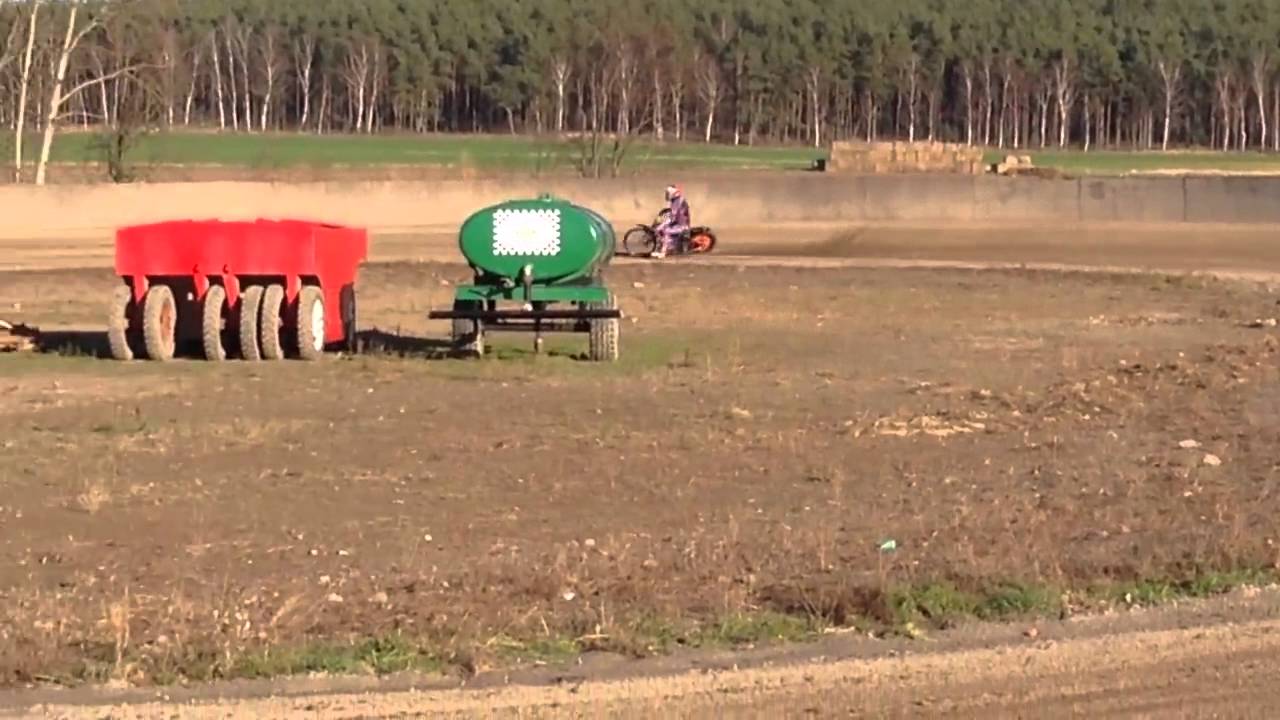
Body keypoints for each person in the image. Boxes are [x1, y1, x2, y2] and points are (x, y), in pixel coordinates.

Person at [652, 184, 690, 258]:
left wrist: (663, 224)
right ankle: (669, 247)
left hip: (682, 226)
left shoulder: (677, 202)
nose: (666, 195)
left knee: (666, 231)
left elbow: (673, 216)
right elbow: (671, 213)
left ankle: (663, 253)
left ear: (672, 194)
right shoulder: (677, 200)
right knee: (664, 228)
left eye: (667, 193)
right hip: (680, 223)